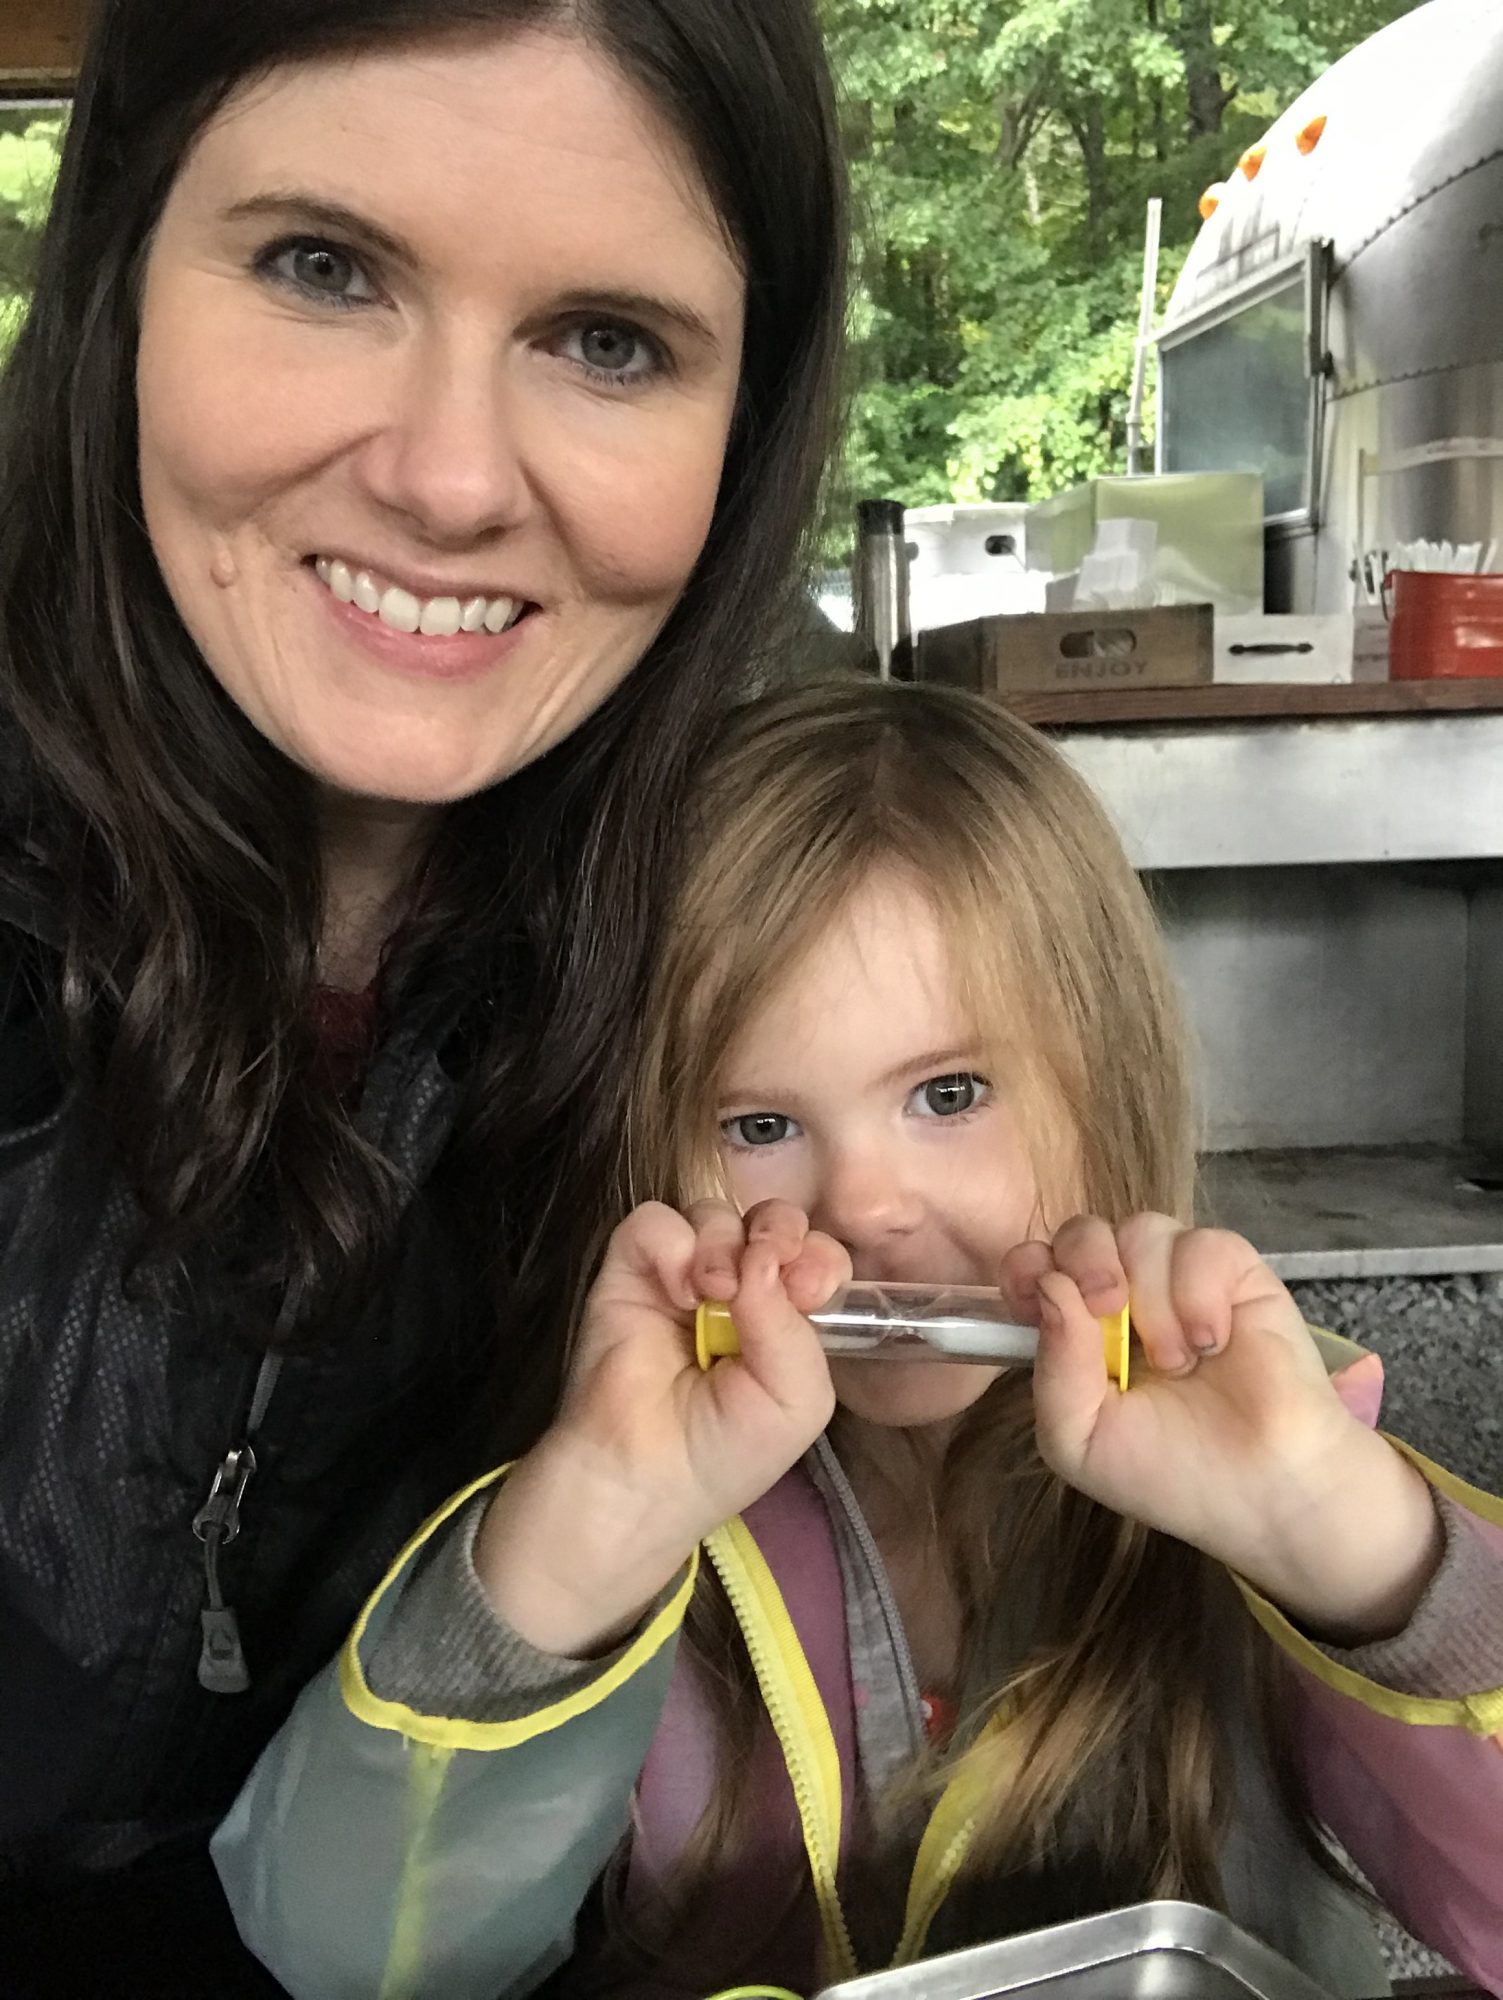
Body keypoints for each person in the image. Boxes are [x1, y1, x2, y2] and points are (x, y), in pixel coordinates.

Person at [214, 680, 1503, 2000]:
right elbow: (350, 1960)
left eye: (950, 1094)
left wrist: (1340, 1538)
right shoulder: (622, 1499)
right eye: (757, 1128)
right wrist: (591, 1524)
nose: (869, 1210)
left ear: (1107, 1092)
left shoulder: (1274, 1444)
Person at [0, 2, 846, 1989]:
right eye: (322, 267)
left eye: (605, 340)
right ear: (120, 269)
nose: (452, 479)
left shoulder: (783, 913)